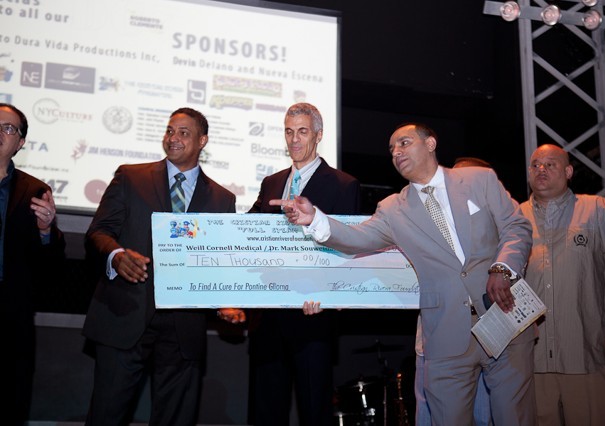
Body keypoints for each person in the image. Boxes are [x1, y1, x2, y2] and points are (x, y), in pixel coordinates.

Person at [279, 123, 535, 425]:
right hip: (445, 336)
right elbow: (356, 238)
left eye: (404, 143)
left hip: (503, 316)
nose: (396, 153)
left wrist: (503, 268)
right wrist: (315, 219)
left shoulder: (479, 179)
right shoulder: (392, 209)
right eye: (391, 150)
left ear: (430, 144)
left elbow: (516, 227)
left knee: (515, 418)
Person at [82, 107, 236, 426]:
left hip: (184, 326)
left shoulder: (222, 199)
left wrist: (226, 299)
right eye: (169, 131)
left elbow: (220, 261)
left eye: (183, 133)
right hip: (126, 314)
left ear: (202, 141)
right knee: (106, 415)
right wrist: (116, 255)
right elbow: (99, 232)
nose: (173, 138)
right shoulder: (130, 177)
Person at [219, 102, 360, 426]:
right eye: (289, 131)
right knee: (265, 413)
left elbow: (349, 246)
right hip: (267, 317)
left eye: (302, 131)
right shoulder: (272, 182)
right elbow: (249, 235)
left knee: (314, 413)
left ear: (318, 135)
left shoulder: (343, 184)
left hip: (313, 317)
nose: (294, 139)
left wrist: (330, 294)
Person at [519, 144, 605, 426]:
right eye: (536, 165)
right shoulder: (516, 218)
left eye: (550, 164)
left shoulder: (596, 209)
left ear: (568, 172)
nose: (541, 170)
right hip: (533, 361)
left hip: (587, 354)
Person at [414, 156, 494, 426]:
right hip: (436, 343)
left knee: (483, 417)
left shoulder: (504, 231)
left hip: (490, 343)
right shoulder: (420, 222)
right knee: (431, 417)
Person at [0, 103, 66, 426]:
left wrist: (45, 230)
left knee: (10, 400)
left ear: (20, 143)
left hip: (11, 315)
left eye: (8, 128)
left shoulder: (35, 191)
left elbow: (50, 268)